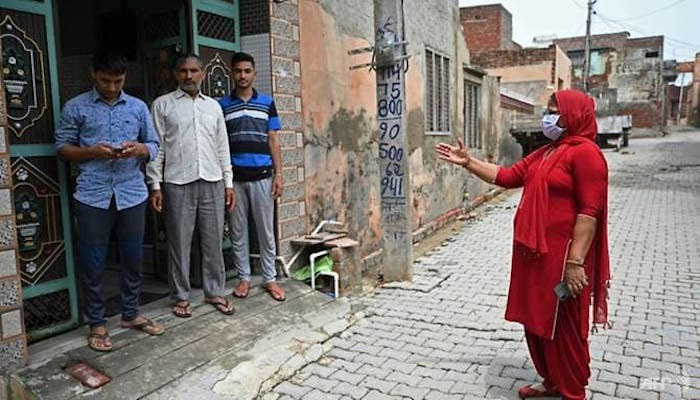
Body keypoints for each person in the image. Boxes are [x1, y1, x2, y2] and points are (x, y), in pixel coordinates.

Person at [436, 89, 610, 400]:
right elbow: (506, 175)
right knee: (536, 321)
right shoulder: (547, 152)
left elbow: (589, 211)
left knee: (564, 327)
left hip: (562, 260)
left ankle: (572, 390)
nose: (548, 116)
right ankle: (551, 379)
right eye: (548, 109)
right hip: (533, 257)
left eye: (554, 110)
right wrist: (468, 162)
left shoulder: (585, 154)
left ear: (574, 115)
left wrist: (575, 263)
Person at [55, 51, 164, 352]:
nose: (113, 87)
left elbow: (155, 146)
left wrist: (139, 148)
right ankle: (97, 322)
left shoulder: (140, 107)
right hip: (92, 194)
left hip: (132, 193)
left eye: (118, 81)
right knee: (93, 261)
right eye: (106, 80)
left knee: (133, 257)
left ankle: (130, 314)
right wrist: (92, 152)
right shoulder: (76, 107)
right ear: (94, 74)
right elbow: (62, 148)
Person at [147, 54, 236, 318]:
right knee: (179, 243)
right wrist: (155, 185)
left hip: (212, 180)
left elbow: (222, 147)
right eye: (184, 71)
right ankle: (181, 296)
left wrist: (228, 183)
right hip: (177, 182)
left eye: (194, 70)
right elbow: (158, 149)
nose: (189, 76)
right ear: (176, 74)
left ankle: (215, 292)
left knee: (213, 241)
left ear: (203, 72)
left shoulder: (214, 107)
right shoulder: (163, 105)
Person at [219, 52, 285, 302]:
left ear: (254, 74)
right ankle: (244, 278)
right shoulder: (223, 106)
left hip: (263, 178)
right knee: (237, 231)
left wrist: (279, 174)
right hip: (235, 180)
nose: (242, 75)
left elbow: (274, 139)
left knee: (266, 231)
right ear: (232, 73)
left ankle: (270, 279)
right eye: (238, 71)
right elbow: (221, 143)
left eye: (247, 71)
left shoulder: (267, 103)